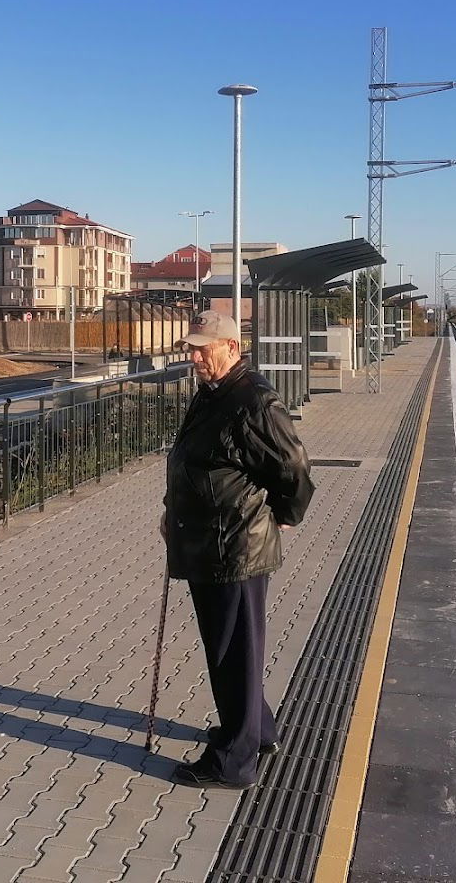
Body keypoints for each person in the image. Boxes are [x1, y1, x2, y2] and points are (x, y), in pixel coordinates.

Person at [161, 309, 314, 789]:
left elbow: (294, 471)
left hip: (236, 546)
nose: (194, 356)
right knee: (228, 647)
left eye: (202, 348)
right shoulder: (212, 394)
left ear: (231, 347)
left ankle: (234, 761)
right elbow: (194, 458)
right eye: (191, 347)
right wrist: (172, 509)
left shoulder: (254, 402)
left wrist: (284, 518)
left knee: (233, 652)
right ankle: (257, 730)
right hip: (208, 539)